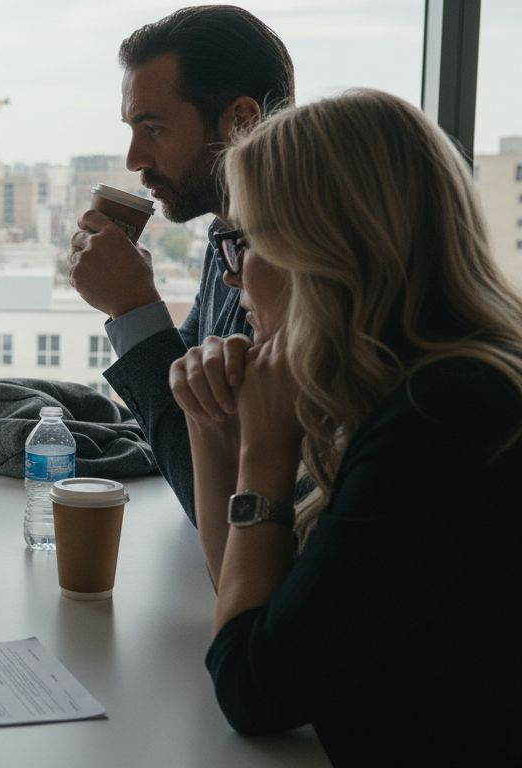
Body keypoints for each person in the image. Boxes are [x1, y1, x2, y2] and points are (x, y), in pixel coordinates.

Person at [170, 89, 522, 763]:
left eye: (243, 242)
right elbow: (245, 608)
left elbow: (252, 689)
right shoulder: (419, 380)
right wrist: (212, 422)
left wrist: (265, 455)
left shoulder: (446, 419)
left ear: (324, 250)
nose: (233, 277)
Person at [67, 6, 293, 524]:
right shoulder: (227, 237)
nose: (134, 158)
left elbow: (226, 500)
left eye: (153, 128)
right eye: (132, 128)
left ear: (242, 120)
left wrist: (132, 308)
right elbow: (181, 395)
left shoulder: (287, 270)